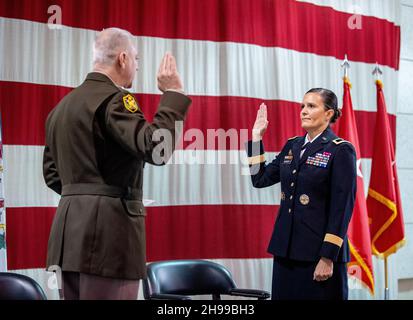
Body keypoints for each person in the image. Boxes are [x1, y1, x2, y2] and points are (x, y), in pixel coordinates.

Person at [43, 28, 191, 300]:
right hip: (107, 239)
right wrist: (174, 94)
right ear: (122, 58)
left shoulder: (60, 108)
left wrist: (91, 198)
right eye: (136, 58)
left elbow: (53, 175)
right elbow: (156, 148)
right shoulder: (116, 99)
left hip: (68, 237)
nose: (136, 65)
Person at [245, 88, 356, 300]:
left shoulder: (340, 150)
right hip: (286, 251)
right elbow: (260, 179)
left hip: (318, 255)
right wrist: (256, 138)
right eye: (302, 106)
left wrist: (327, 257)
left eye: (311, 106)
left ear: (329, 113)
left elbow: (341, 210)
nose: (304, 111)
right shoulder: (292, 146)